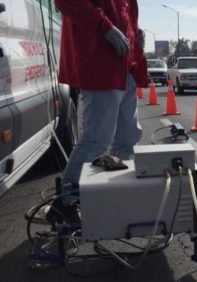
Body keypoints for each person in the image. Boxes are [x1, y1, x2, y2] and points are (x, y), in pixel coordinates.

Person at [54, 0, 148, 186]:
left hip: (125, 69)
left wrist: (134, 32)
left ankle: (119, 190)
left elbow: (122, 13)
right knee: (97, 140)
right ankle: (67, 198)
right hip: (101, 68)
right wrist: (105, 28)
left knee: (127, 138)